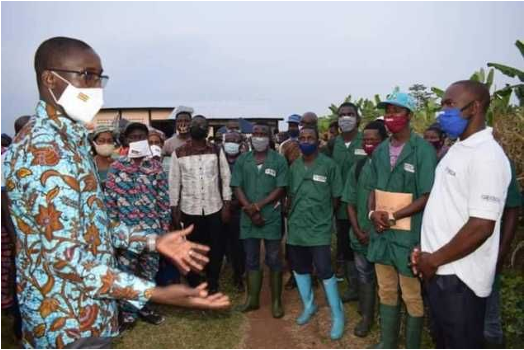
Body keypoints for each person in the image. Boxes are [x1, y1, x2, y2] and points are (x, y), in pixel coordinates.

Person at [3, 37, 229, 349]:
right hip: (66, 322)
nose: (96, 87)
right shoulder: (45, 151)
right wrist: (155, 293)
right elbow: (66, 259)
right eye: (87, 75)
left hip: (93, 314)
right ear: (49, 79)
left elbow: (93, 225)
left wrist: (152, 240)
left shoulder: (71, 142)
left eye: (100, 77)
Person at [413, 81, 511, 349]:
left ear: (475, 107)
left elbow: (481, 225)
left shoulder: (486, 156)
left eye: (450, 104)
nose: (443, 111)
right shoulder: (457, 148)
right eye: (442, 104)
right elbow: (447, 208)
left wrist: (434, 260)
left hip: (460, 279)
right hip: (439, 269)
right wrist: (425, 251)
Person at [367, 89, 437, 349]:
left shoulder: (423, 151)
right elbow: (372, 190)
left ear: (408, 115)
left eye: (396, 110)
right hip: (381, 233)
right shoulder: (381, 150)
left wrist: (394, 215)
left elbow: (427, 195)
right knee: (385, 290)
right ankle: (387, 343)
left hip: (408, 236)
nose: (390, 115)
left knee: (411, 294)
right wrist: (373, 214)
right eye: (387, 111)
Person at [105, 122, 171, 331]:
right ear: (125, 140)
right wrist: (115, 231)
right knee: (126, 272)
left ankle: (144, 308)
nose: (137, 140)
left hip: (152, 230)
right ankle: (127, 313)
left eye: (141, 137)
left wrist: (164, 230)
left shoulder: (155, 166)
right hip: (126, 233)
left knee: (148, 271)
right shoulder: (117, 167)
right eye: (132, 137)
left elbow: (163, 201)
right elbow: (110, 202)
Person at [288, 126, 345, 341]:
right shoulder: (294, 166)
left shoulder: (329, 166)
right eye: (302, 138)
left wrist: (323, 214)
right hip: (297, 226)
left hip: (319, 227)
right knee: (300, 268)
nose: (305, 140)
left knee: (324, 269)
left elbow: (336, 196)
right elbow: (291, 195)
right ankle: (309, 305)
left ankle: (337, 314)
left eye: (310, 137)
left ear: (318, 140)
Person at [169, 115, 232, 295]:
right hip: (189, 209)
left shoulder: (216, 150)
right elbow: (174, 182)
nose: (199, 127)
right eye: (195, 124)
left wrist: (226, 205)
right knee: (193, 247)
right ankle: (195, 282)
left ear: (207, 130)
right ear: (190, 128)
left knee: (216, 247)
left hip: (214, 207)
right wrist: (174, 208)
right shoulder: (179, 153)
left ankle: (212, 282)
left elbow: (226, 177)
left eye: (203, 125)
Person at [232, 122, 288, 319]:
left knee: (274, 259)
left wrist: (258, 206)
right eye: (255, 133)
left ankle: (276, 301)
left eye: (263, 133)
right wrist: (249, 208)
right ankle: (252, 299)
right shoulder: (243, 160)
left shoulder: (278, 160)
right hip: (248, 218)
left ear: (270, 136)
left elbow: (281, 188)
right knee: (251, 259)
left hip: (271, 217)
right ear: (250, 137)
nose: (259, 137)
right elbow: (236, 186)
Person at [342, 120, 388, 337]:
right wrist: (358, 230)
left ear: (384, 141)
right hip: (359, 234)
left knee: (387, 280)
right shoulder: (358, 167)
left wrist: (373, 231)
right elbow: (349, 202)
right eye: (366, 140)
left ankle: (385, 319)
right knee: (364, 274)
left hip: (384, 235)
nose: (369, 144)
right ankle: (367, 317)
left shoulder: (391, 167)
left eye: (374, 141)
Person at [325, 102, 367, 302]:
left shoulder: (366, 141)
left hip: (365, 206)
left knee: (366, 244)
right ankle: (353, 287)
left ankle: (368, 286)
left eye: (350, 114)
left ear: (357, 118)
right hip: (341, 207)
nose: (346, 118)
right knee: (346, 246)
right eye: (342, 115)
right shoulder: (333, 144)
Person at [484, 160, 522, 348]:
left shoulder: (498, 160)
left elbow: (512, 208)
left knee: (489, 321)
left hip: (487, 253)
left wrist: (502, 250)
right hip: (455, 254)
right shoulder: (451, 157)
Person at [223, 130, 247, 292]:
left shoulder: (246, 162)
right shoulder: (218, 160)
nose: (231, 143)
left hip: (240, 208)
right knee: (225, 243)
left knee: (239, 245)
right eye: (228, 140)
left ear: (241, 144)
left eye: (235, 140)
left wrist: (237, 202)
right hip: (222, 207)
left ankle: (239, 276)